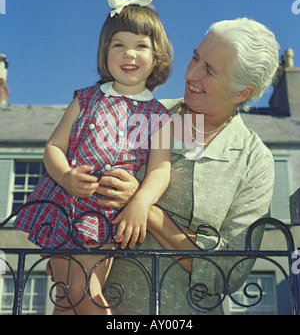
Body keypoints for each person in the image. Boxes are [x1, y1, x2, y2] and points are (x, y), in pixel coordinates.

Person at [96, 17, 280, 315]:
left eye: (209, 70)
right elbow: (83, 187)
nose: (190, 73)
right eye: (196, 57)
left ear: (242, 92)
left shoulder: (254, 161)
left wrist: (144, 207)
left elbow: (230, 270)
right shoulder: (139, 112)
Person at [13, 0, 173, 315]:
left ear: (157, 56)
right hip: (62, 205)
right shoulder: (85, 98)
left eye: (141, 45)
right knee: (64, 299)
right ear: (105, 51)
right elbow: (54, 147)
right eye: (119, 44)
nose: (129, 53)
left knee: (84, 292)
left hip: (102, 211)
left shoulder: (160, 115)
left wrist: (141, 202)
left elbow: (160, 170)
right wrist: (67, 176)